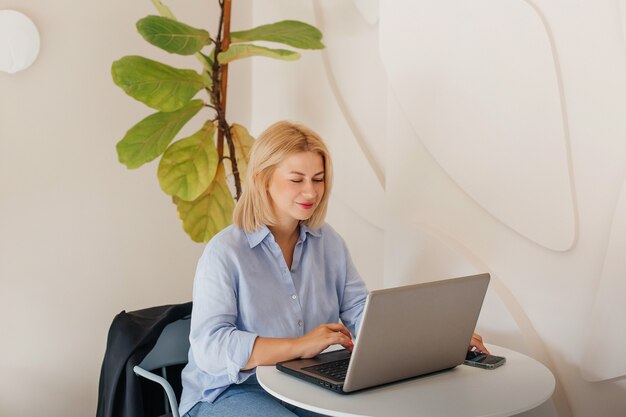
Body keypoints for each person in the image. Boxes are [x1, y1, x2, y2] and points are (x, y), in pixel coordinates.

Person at [179, 121, 488, 417]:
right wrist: (299, 346)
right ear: (263, 179)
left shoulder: (328, 243)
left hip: (303, 383)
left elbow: (361, 314)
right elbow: (211, 347)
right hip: (230, 390)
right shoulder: (224, 252)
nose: (311, 192)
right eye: (297, 179)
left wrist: (436, 339)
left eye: (318, 178)